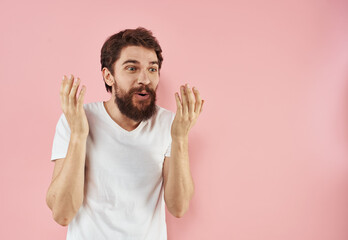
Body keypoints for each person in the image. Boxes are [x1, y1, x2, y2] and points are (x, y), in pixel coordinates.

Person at [46, 27, 204, 239]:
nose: (145, 79)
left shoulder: (170, 124)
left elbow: (179, 207)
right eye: (132, 68)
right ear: (109, 76)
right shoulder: (76, 119)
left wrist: (180, 138)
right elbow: (62, 214)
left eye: (152, 69)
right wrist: (78, 136)